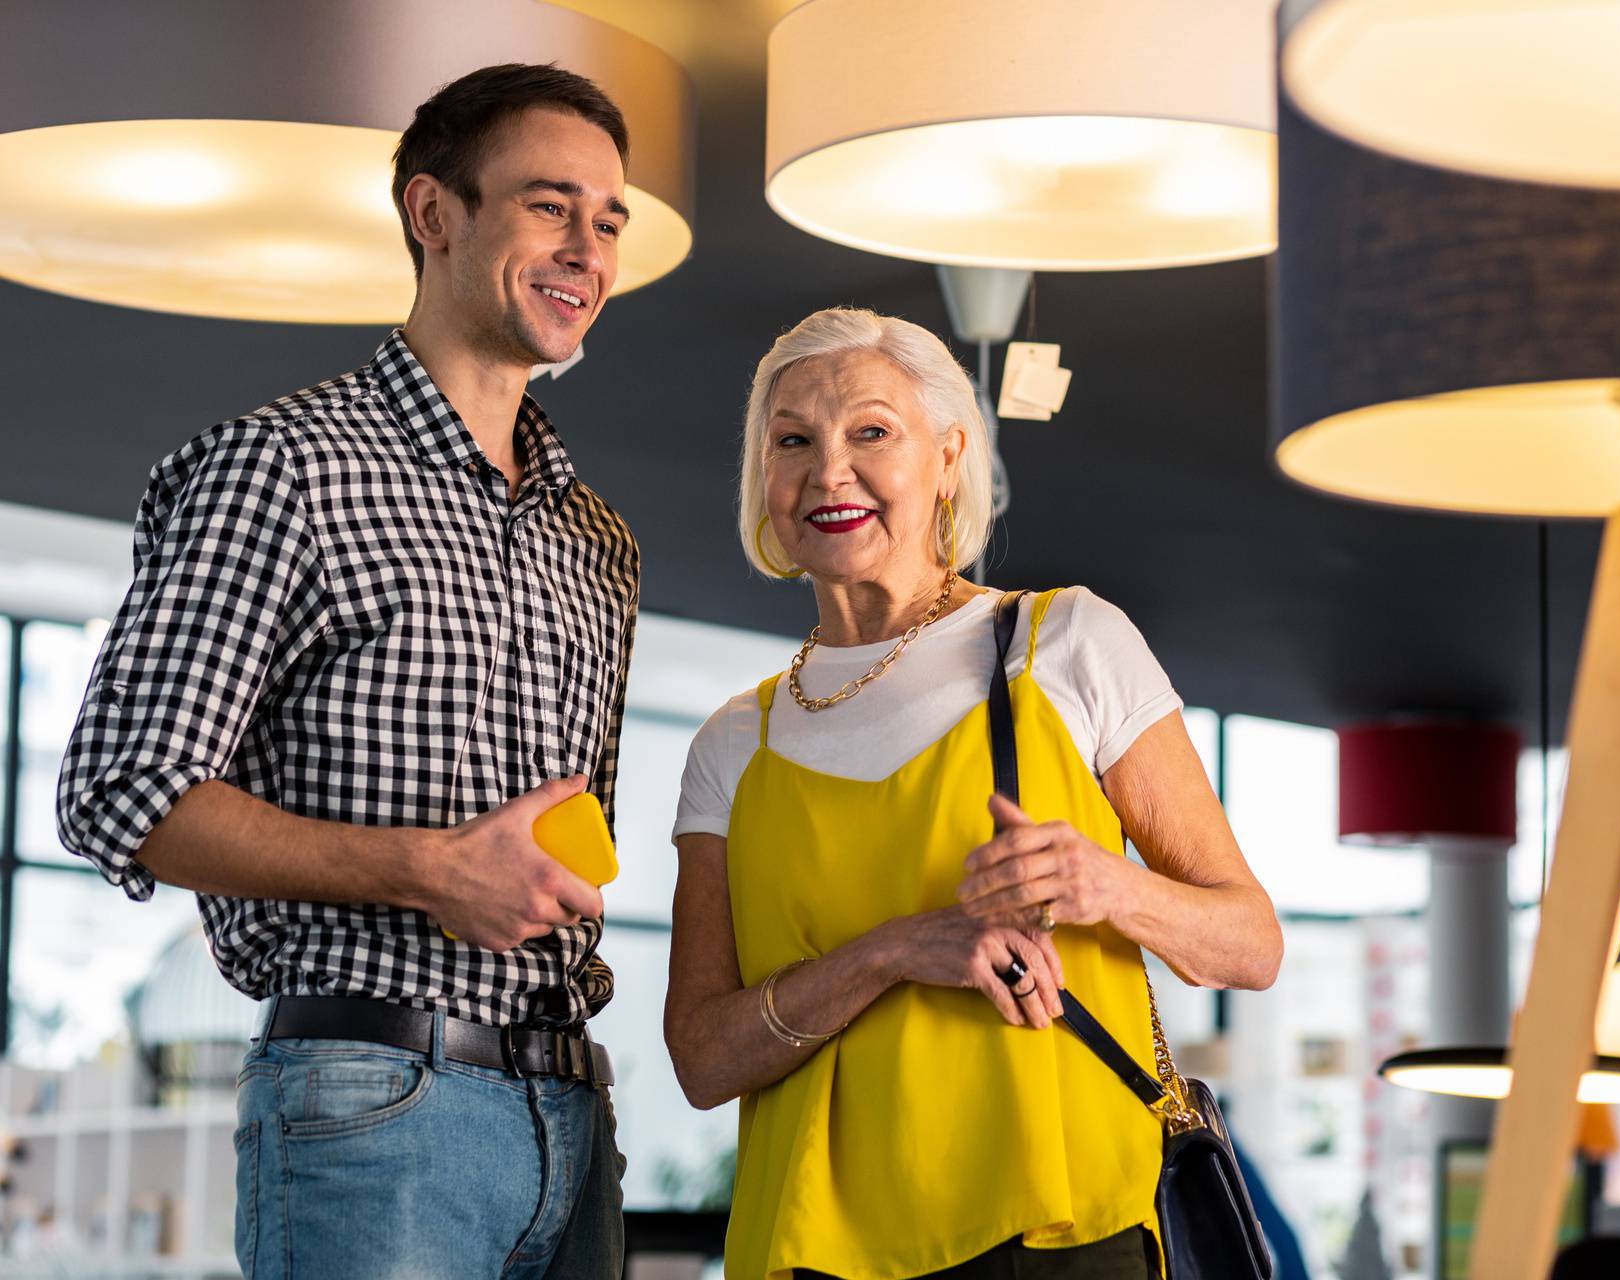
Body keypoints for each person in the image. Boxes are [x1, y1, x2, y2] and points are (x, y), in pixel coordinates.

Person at [55, 64, 641, 1278]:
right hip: (371, 1102)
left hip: (576, 1116)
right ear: (434, 214)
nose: (588, 246)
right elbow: (121, 785)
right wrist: (430, 870)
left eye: (610, 217)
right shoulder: (281, 467)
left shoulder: (599, 542)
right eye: (548, 205)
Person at [665, 307, 1286, 1280]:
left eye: (872, 431)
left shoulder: (1066, 643)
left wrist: (1107, 886)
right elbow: (703, 1056)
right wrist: (899, 948)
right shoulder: (734, 743)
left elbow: (1250, 944)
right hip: (815, 1251)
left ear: (948, 457)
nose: (830, 470)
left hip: (1064, 1230)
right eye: (793, 440)